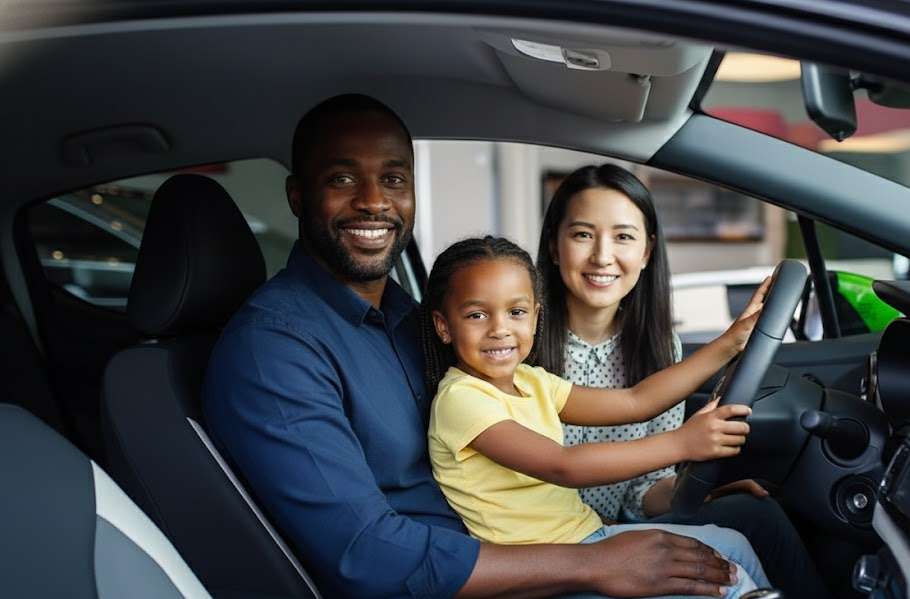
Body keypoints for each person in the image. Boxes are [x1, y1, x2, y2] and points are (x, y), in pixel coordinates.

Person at [202, 93, 760, 599]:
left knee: (741, 543)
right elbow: (368, 557)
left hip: (534, 557)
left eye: (394, 179)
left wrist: (734, 341)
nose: (374, 201)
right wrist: (592, 563)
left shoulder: (406, 318)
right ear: (298, 196)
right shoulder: (274, 349)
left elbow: (633, 402)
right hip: (486, 581)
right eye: (343, 179)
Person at [531, 164, 833, 599]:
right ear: (555, 247)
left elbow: (639, 493)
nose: (601, 256)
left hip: (620, 528)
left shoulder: (659, 347)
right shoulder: (519, 341)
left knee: (756, 511)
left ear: (648, 251)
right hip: (554, 547)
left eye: (623, 237)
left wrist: (695, 482)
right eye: (582, 235)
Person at [423, 235, 771, 599]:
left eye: (516, 312)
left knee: (734, 547)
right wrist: (681, 443)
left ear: (535, 316)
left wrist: (731, 342)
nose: (500, 328)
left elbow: (636, 401)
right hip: (545, 573)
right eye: (477, 315)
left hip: (588, 540)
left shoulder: (531, 381)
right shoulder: (461, 399)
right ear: (444, 326)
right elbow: (563, 466)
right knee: (729, 585)